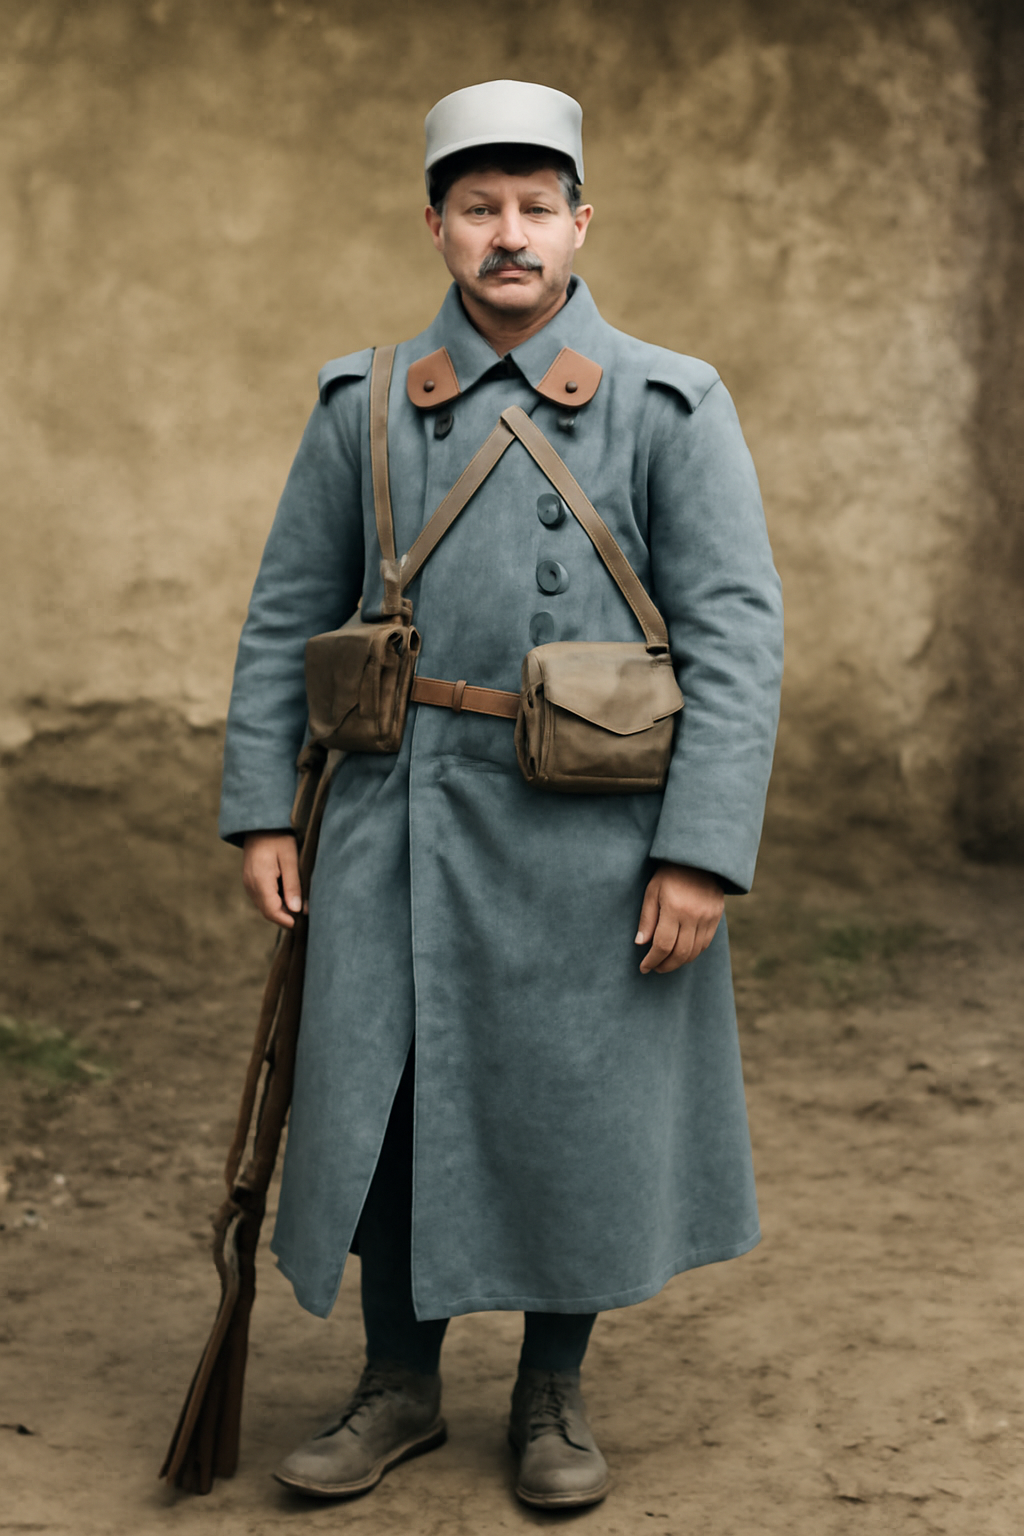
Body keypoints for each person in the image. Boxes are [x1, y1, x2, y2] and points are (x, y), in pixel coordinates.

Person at [219, 78, 783, 1510]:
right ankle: (398, 1383)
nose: (510, 235)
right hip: (394, 821)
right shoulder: (362, 407)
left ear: (582, 223)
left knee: (570, 1112)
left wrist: (700, 855)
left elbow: (737, 636)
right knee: (389, 1105)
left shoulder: (670, 403)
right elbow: (288, 611)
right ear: (436, 228)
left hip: (589, 836)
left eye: (538, 207)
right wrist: (266, 811)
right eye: (481, 209)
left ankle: (551, 1393)